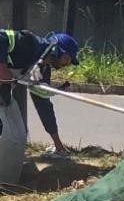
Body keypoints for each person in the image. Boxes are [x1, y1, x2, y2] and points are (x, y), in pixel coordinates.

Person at [0, 30, 79, 158]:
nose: (67, 64)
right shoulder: (31, 43)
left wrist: (58, 145)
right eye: (68, 58)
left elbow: (44, 107)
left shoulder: (42, 70)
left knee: (5, 108)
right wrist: (2, 67)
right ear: (58, 50)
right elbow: (2, 36)